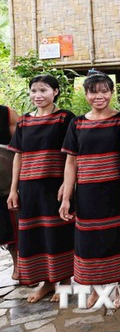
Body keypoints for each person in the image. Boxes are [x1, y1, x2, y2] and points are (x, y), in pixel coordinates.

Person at [59, 72, 120, 307]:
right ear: (86, 95)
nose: (99, 96)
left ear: (112, 93)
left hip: (116, 192)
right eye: (93, 91)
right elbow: (71, 162)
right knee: (89, 242)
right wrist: (66, 198)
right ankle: (95, 289)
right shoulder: (77, 123)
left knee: (119, 239)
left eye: (104, 91)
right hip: (87, 195)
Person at [7, 75, 75, 303]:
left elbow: (72, 155)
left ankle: (64, 282)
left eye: (43, 90)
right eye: (34, 90)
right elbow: (18, 156)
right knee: (35, 235)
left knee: (58, 233)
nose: (38, 95)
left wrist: (67, 185)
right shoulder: (24, 121)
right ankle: (47, 282)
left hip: (54, 186)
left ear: (55, 92)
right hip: (30, 188)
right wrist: (14, 189)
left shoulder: (65, 118)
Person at [0, 104, 19, 281]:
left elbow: (20, 147)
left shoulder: (6, 113)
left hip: (5, 182)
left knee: (11, 226)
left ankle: (18, 266)